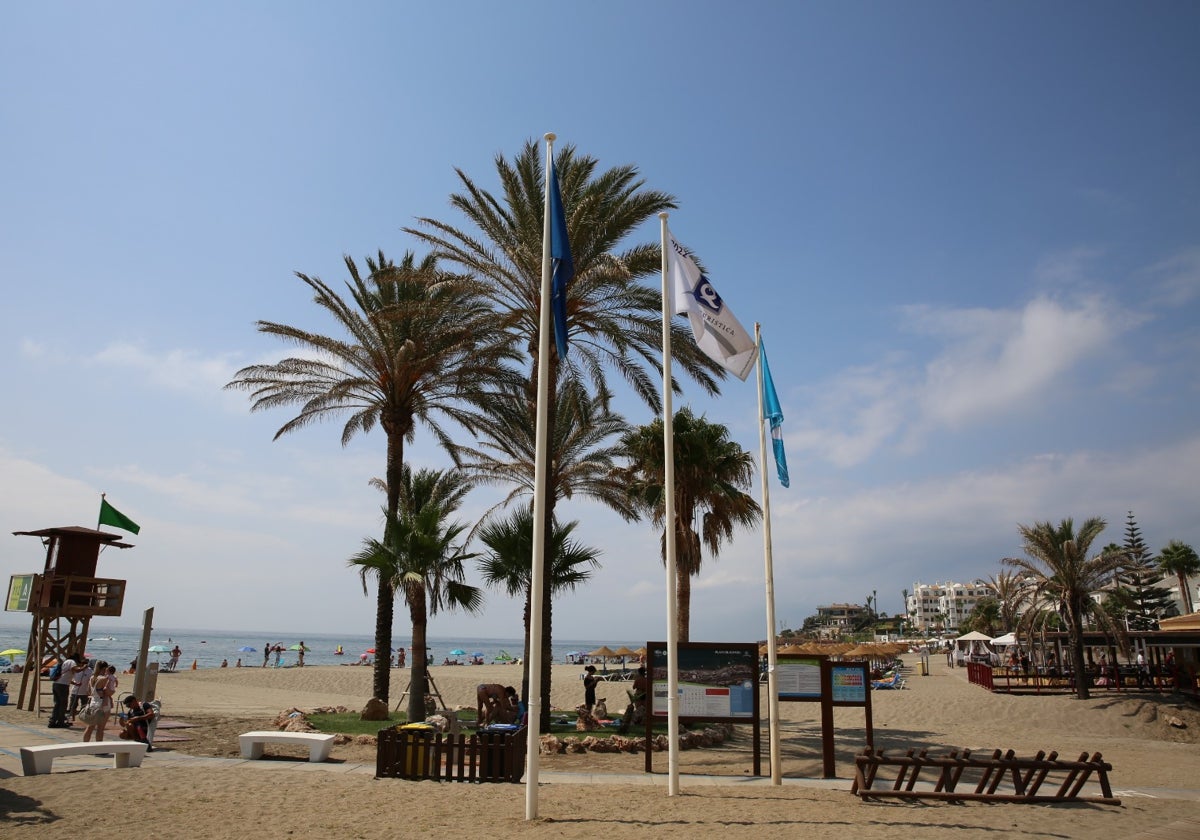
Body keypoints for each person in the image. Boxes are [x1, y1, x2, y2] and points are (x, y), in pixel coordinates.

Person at [82, 660, 115, 742]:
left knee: (90, 727)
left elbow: (89, 691)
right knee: (100, 728)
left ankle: (84, 745)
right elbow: (108, 692)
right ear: (104, 668)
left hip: (93, 702)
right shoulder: (104, 679)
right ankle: (99, 748)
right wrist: (112, 690)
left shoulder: (92, 678)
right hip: (103, 704)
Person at [48, 650, 83, 728]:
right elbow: (77, 670)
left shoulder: (66, 662)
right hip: (63, 686)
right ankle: (60, 722)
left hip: (56, 684)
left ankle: (53, 721)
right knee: (63, 704)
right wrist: (84, 667)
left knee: (57, 704)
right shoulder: (71, 662)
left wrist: (75, 683)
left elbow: (65, 677)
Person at [619, 666, 649, 734]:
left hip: (639, 694)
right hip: (645, 694)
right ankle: (643, 722)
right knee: (645, 709)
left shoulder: (638, 680)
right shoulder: (646, 679)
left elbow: (634, 687)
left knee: (638, 708)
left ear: (639, 672)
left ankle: (638, 721)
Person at [69, 657, 94, 722]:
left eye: (86, 663)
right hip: (75, 691)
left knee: (85, 706)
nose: (84, 664)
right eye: (83, 663)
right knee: (73, 706)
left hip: (85, 692)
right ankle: (72, 717)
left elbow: (91, 681)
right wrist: (75, 683)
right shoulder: (76, 670)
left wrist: (90, 690)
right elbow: (69, 679)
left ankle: (83, 718)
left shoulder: (90, 670)